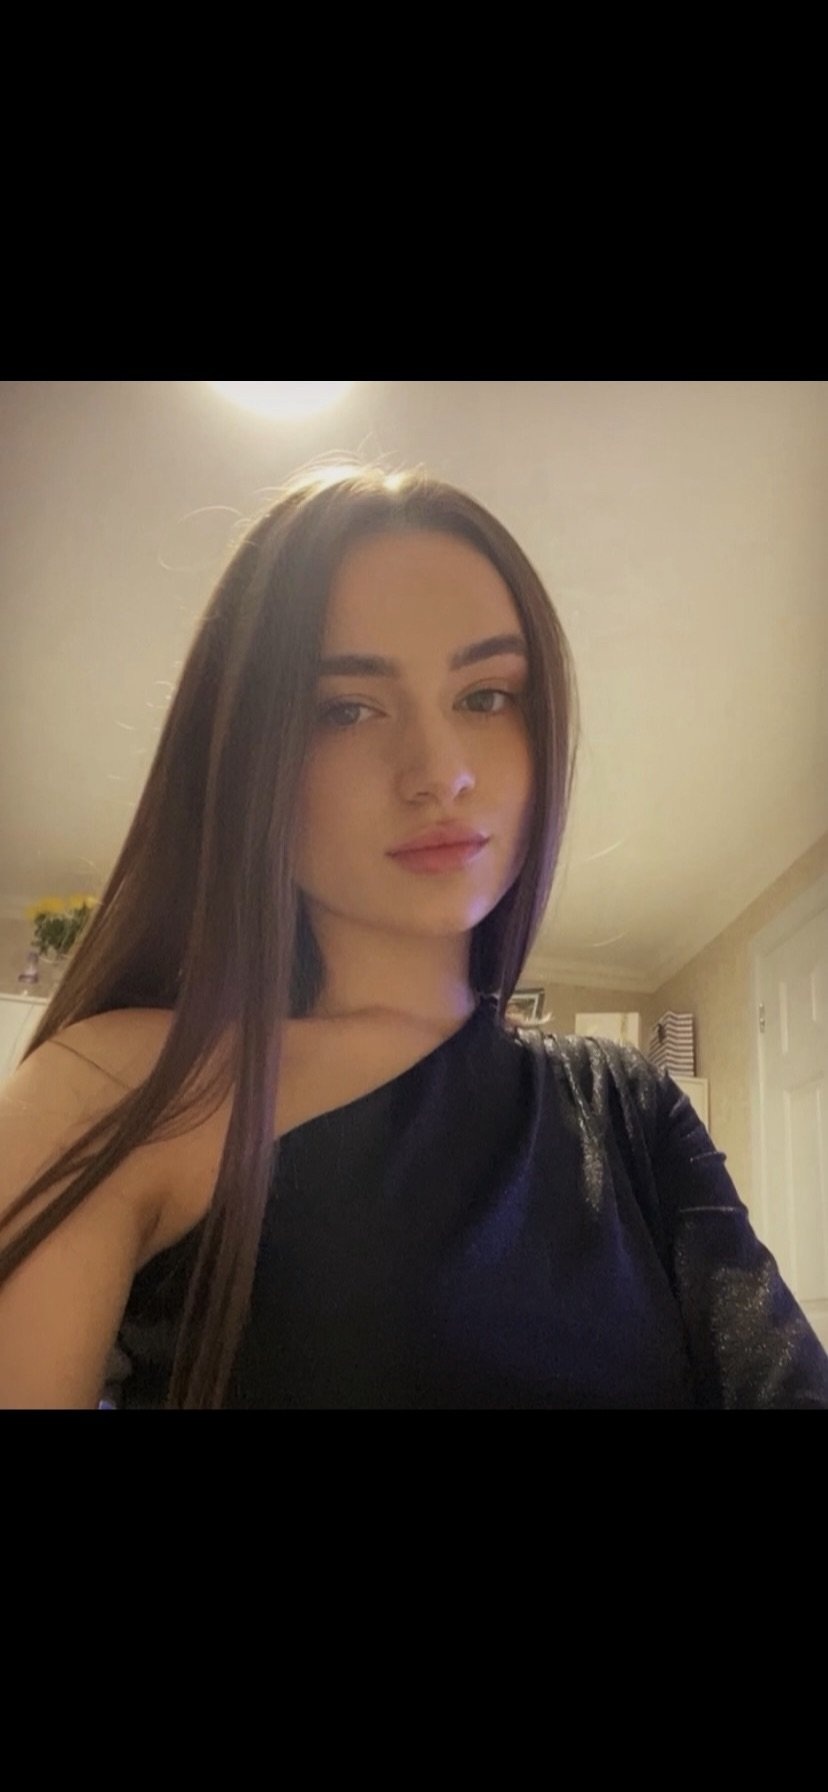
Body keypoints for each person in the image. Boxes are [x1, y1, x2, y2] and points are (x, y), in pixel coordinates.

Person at [1, 461, 827, 1409]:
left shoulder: (628, 1110)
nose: (441, 773)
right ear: (249, 753)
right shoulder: (114, 1088)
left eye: (486, 697)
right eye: (347, 710)